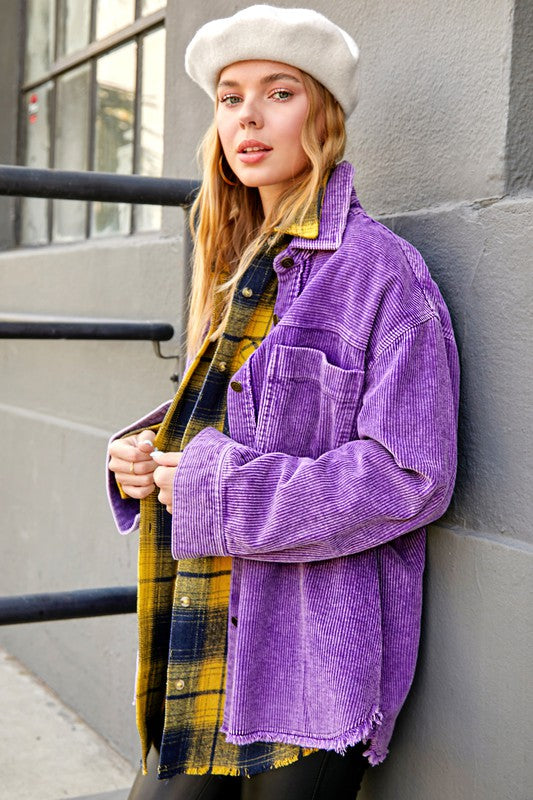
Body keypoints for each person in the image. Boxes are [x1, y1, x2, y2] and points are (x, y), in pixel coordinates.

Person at [106, 5, 459, 799]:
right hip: (205, 622)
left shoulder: (379, 273)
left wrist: (218, 489)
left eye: (278, 92)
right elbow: (239, 420)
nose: (248, 116)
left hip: (309, 661)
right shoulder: (234, 264)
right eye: (230, 98)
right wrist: (147, 454)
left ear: (322, 117)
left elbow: (410, 477)